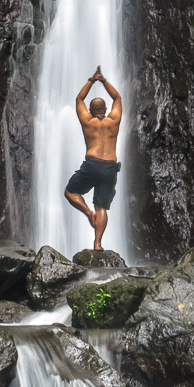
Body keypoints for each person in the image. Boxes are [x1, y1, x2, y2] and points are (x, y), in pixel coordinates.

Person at [64, 65, 122, 251]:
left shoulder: (87, 121)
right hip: (110, 167)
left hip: (92, 163)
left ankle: (88, 213)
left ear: (90, 109)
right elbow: (118, 98)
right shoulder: (113, 120)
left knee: (70, 192)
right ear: (105, 109)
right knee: (102, 207)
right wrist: (103, 80)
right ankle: (97, 243)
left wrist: (91, 80)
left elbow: (79, 98)